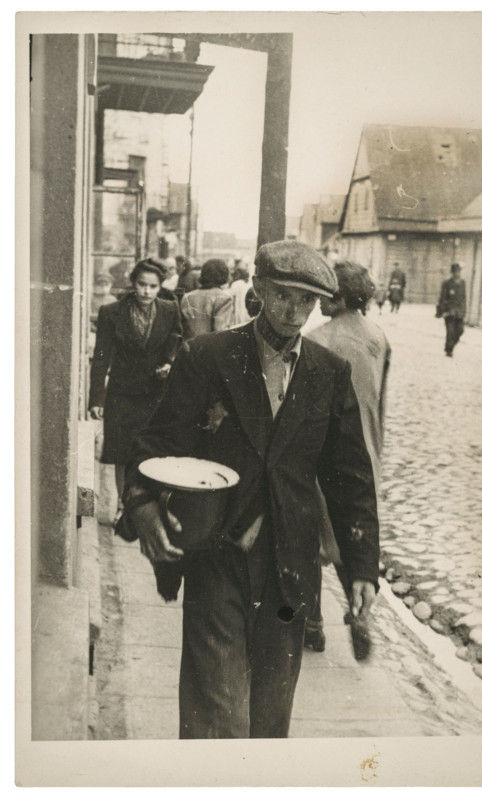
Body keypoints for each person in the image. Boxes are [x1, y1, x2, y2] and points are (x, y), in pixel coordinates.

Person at [118, 240, 380, 739]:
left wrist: (362, 568)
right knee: (217, 718)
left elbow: (350, 479)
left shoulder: (329, 373)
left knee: (269, 723)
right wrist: (143, 506)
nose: (294, 310)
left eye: (306, 301)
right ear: (258, 289)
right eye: (282, 295)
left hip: (289, 572)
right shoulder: (208, 357)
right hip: (216, 556)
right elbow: (153, 444)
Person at [305, 261, 391, 651]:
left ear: (339, 298)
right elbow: (381, 399)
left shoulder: (318, 340)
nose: (321, 301)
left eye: (327, 294)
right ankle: (360, 611)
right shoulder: (378, 337)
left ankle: (311, 621)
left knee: (312, 533)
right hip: (366, 447)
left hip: (326, 449)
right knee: (352, 531)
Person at [88, 257, 183, 524]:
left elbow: (176, 339)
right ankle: (123, 506)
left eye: (152, 286)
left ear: (159, 287)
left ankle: (146, 505)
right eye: (142, 284)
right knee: (121, 453)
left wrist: (168, 362)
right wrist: (97, 398)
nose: (146, 291)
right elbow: (101, 356)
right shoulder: (111, 312)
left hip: (154, 394)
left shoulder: (169, 309)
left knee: (149, 452)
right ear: (133, 283)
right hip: (121, 393)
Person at [180, 258, 234, 339]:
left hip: (190, 348)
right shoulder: (224, 298)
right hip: (211, 349)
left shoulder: (187, 297)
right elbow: (220, 331)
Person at [436, 262, 467, 357]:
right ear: (452, 273)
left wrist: (464, 311)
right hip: (449, 312)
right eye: (455, 272)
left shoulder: (462, 283)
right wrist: (443, 311)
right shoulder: (447, 284)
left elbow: (464, 298)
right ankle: (449, 350)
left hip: (459, 313)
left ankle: (450, 346)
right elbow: (442, 298)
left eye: (458, 271)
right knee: (450, 332)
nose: (457, 273)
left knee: (460, 330)